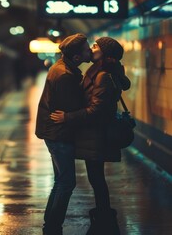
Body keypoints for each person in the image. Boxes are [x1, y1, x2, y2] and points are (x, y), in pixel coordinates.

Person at [50, 37, 131, 235]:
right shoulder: (100, 71)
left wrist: (67, 117)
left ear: (104, 53)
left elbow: (96, 110)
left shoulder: (102, 75)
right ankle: (103, 216)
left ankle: (104, 219)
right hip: (93, 135)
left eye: (96, 46)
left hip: (96, 135)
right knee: (96, 178)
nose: (92, 48)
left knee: (97, 179)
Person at [35, 33, 92, 235]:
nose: (90, 51)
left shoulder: (62, 67)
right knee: (66, 182)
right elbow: (74, 108)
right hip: (59, 133)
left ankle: (50, 223)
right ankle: (52, 226)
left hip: (54, 132)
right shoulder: (65, 75)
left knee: (61, 180)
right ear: (77, 57)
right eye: (87, 49)